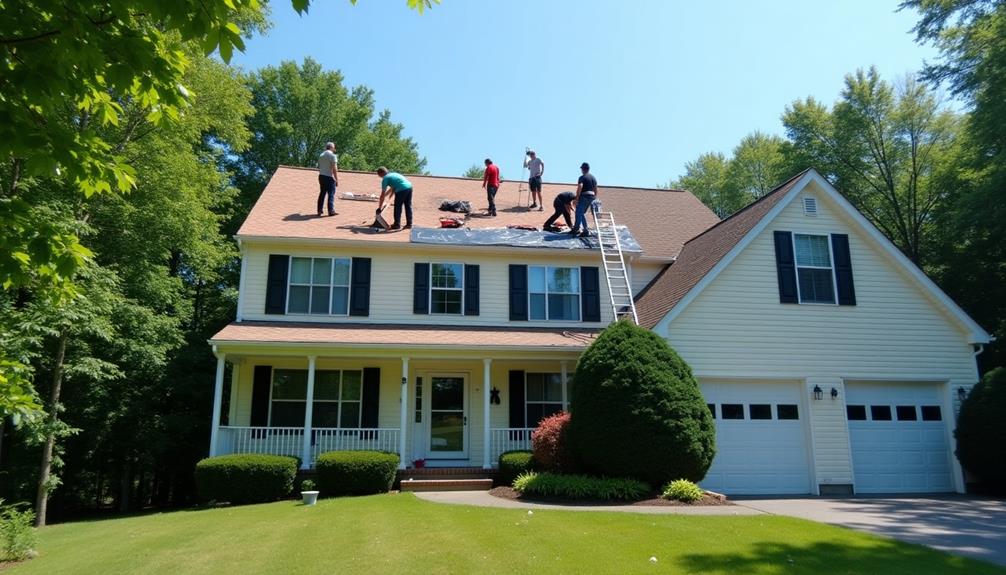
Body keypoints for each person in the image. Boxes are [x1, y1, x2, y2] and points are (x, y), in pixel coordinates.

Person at [569, 162, 598, 237]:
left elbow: (580, 186)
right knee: (581, 213)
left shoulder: (582, 177)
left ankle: (576, 229)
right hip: (591, 197)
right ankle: (585, 230)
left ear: (582, 169)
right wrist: (594, 198)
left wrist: (576, 199)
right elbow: (595, 189)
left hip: (584, 196)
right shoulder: (593, 177)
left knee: (578, 212)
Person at [317, 142, 339, 217]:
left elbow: (319, 166)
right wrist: (336, 179)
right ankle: (331, 210)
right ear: (331, 148)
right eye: (334, 148)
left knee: (322, 193)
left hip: (321, 176)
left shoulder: (321, 155)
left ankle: (319, 210)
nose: (334, 149)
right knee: (331, 194)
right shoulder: (332, 156)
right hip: (329, 177)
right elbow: (334, 168)